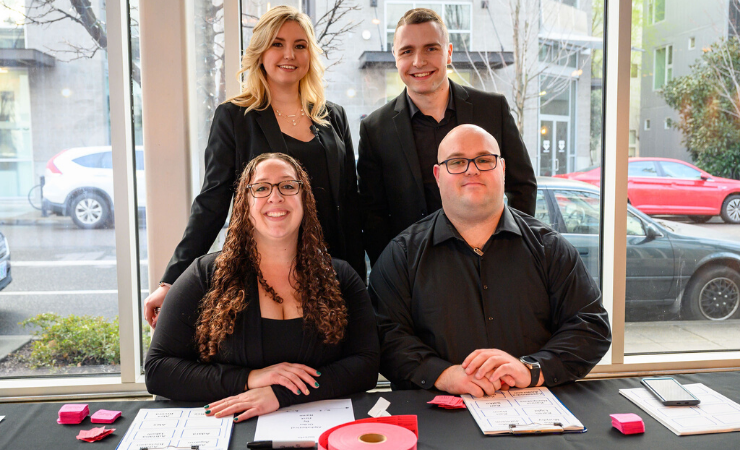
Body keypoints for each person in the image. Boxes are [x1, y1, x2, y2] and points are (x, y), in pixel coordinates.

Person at [144, 5, 364, 328]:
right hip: (261, 274)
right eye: (277, 43)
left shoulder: (333, 117)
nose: (289, 54)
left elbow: (349, 205)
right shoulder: (234, 117)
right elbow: (212, 202)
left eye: (300, 45)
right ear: (260, 51)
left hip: (329, 272)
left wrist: (358, 282)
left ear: (310, 54)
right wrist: (170, 281)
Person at [370, 124, 610, 396]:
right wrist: (442, 373)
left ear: (503, 169)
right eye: (457, 161)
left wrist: (530, 369)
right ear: (438, 175)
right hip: (437, 414)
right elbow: (384, 336)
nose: (472, 169)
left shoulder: (550, 249)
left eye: (484, 160)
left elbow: (591, 328)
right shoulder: (401, 255)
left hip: (534, 411)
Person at [145, 153, 379, 421]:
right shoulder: (205, 276)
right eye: (261, 188)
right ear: (245, 203)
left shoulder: (340, 276)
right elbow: (158, 371)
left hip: (316, 428)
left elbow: (366, 366)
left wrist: (280, 395)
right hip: (228, 429)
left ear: (305, 199)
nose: (275, 197)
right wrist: (250, 379)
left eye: (288, 186)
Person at [357, 8, 538, 266]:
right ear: (395, 57)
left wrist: (510, 249)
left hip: (489, 264)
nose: (419, 61)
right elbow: (372, 214)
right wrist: (392, 271)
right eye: (407, 51)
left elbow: (523, 186)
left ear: (449, 52)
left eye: (431, 48)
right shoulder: (375, 128)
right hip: (413, 274)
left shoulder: (492, 109)